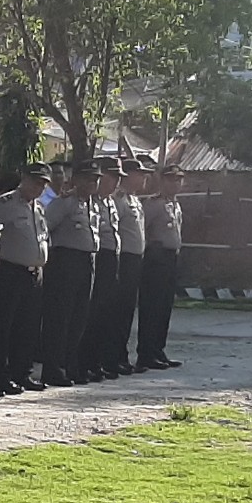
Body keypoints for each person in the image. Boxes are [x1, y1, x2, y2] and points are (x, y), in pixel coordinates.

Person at [0, 162, 50, 393]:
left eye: (43, 184)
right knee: (5, 326)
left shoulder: (39, 207)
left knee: (28, 327)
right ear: (23, 178)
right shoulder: (5, 204)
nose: (39, 187)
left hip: (34, 273)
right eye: (36, 181)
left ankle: (22, 372)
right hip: (10, 271)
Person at [39, 156, 98, 387]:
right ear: (77, 180)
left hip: (86, 261)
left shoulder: (91, 204)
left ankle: (70, 364)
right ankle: (53, 367)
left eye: (96, 179)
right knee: (60, 318)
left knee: (79, 318)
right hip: (65, 262)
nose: (93, 183)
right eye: (88, 179)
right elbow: (45, 229)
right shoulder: (64, 203)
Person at [82, 159, 129, 380]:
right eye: (113, 177)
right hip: (97, 258)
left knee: (106, 313)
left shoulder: (111, 202)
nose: (117, 182)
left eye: (119, 178)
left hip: (112, 259)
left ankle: (98, 360)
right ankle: (85, 361)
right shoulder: (89, 202)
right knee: (92, 313)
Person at [138, 164, 186, 368]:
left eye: (178, 179)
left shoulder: (175, 205)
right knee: (152, 307)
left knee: (165, 306)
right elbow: (142, 229)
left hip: (170, 258)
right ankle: (146, 353)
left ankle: (158, 349)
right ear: (162, 181)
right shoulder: (153, 204)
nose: (174, 183)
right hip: (155, 259)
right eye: (170, 179)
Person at [106, 158, 151, 375]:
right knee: (116, 310)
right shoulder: (118, 200)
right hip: (122, 260)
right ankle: (112, 356)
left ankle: (121, 355)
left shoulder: (134, 200)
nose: (144, 178)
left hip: (135, 259)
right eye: (140, 174)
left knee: (126, 311)